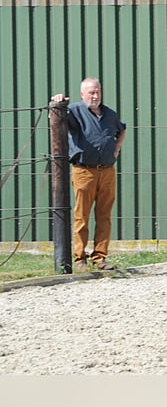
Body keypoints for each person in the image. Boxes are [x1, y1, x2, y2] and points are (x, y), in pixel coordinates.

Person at [50, 78, 126, 271]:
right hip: (84, 171)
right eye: (91, 92)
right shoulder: (74, 111)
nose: (95, 96)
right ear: (82, 94)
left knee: (104, 215)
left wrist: (117, 148)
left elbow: (122, 130)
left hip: (107, 170)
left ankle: (100, 258)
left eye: (98, 92)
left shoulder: (109, 114)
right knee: (81, 216)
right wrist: (57, 102)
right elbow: (56, 118)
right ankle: (79, 258)